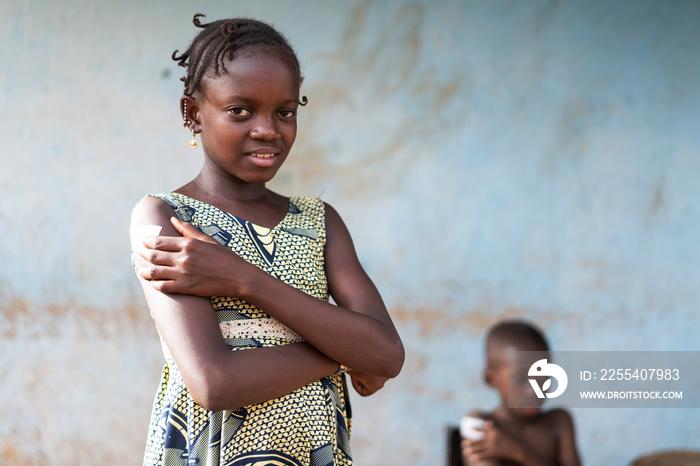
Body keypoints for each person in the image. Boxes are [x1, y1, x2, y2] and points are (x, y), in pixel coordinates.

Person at [129, 14, 404, 466]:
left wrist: (242, 278)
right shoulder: (167, 218)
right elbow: (215, 382)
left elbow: (388, 354)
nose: (267, 129)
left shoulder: (321, 222)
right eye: (240, 110)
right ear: (193, 113)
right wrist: (346, 353)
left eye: (285, 111)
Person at [460, 320, 581, 466]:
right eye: (520, 379)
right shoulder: (480, 424)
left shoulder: (558, 422)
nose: (534, 390)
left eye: (544, 377)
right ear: (491, 379)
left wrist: (518, 452)